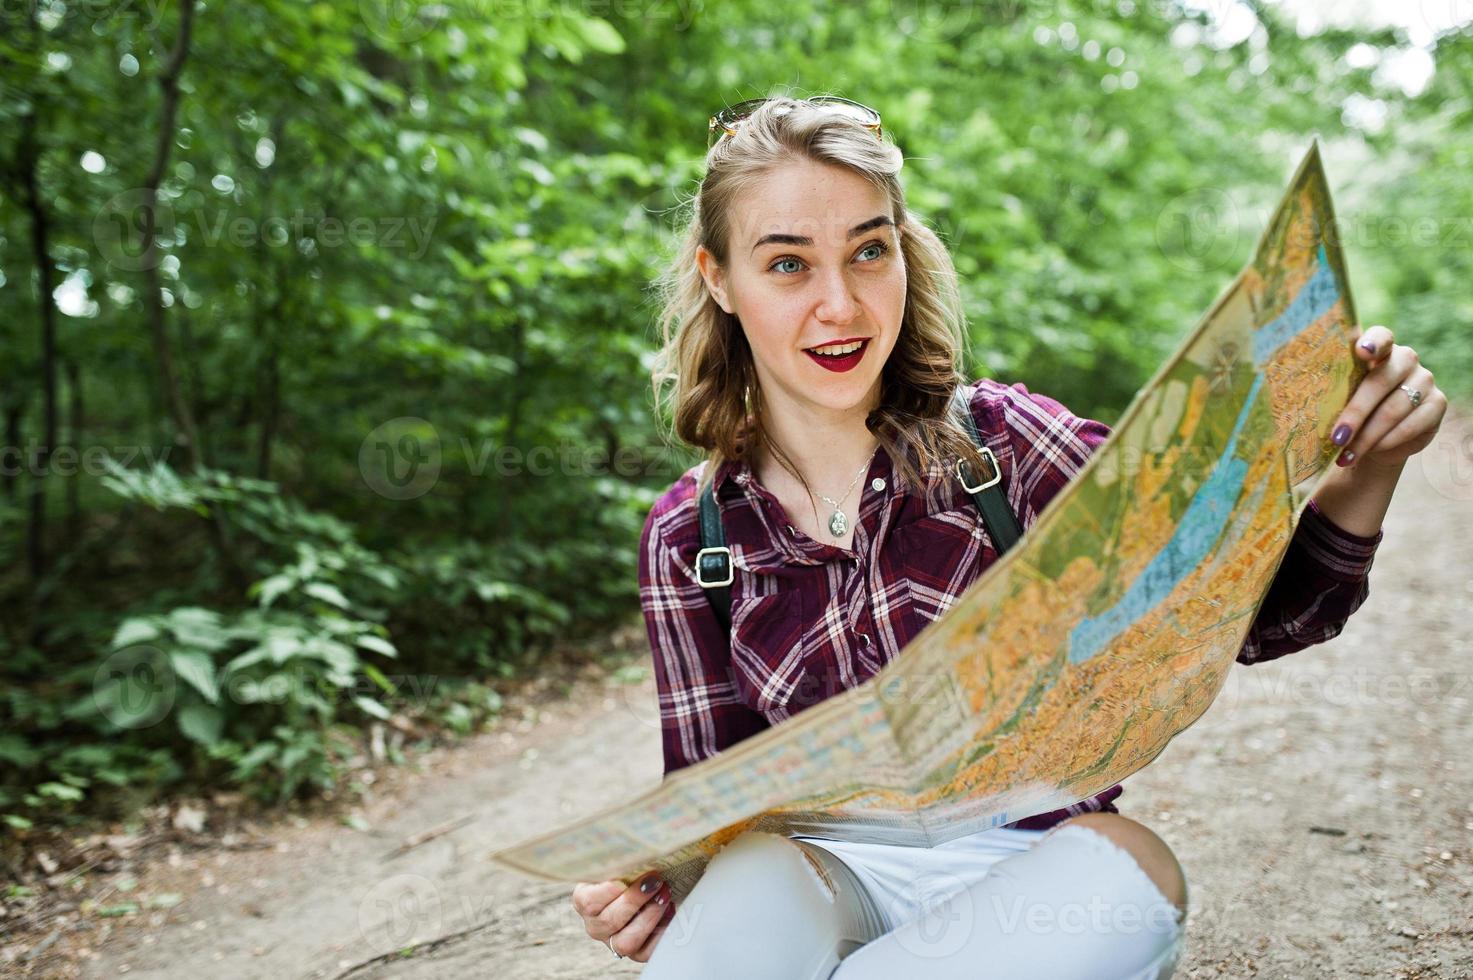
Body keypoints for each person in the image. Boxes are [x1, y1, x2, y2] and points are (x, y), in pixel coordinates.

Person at [570, 94, 1446, 977]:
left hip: (1036, 874)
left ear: (904, 255)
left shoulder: (1008, 446)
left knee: (1126, 863)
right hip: (817, 879)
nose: (840, 303)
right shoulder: (690, 536)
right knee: (745, 885)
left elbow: (1256, 615)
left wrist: (1366, 466)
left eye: (869, 251)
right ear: (718, 278)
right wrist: (651, 889)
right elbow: (707, 799)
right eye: (787, 264)